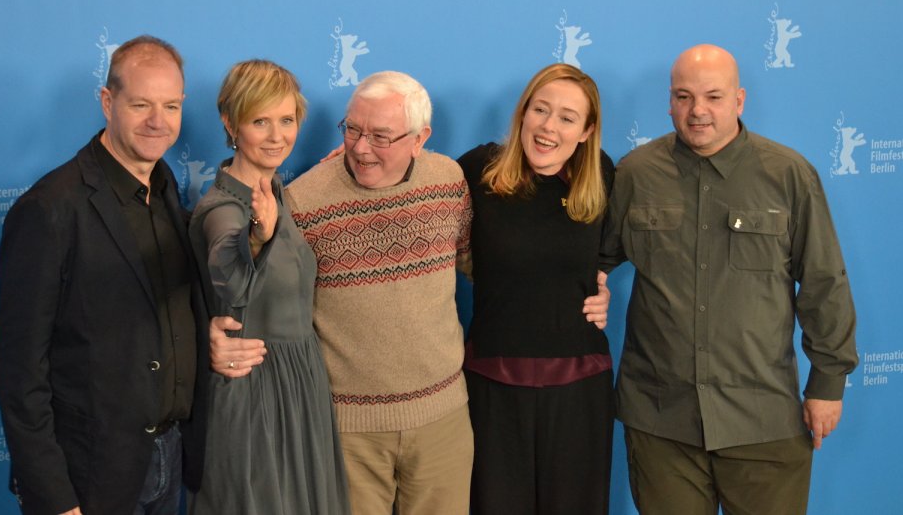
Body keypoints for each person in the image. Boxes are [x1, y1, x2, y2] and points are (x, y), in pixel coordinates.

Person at [595, 44, 858, 514]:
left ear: (739, 100)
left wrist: (827, 384)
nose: (698, 111)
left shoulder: (789, 175)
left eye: (713, 97)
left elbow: (824, 283)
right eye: (683, 96)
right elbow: (591, 258)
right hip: (661, 423)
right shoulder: (635, 174)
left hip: (763, 421)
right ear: (670, 101)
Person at [0, 35, 239, 515]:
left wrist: (205, 334)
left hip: (169, 458)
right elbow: (20, 372)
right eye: (141, 104)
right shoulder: (49, 209)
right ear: (108, 102)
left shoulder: (167, 189)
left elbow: (158, 310)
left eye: (170, 106)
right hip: (88, 476)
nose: (158, 121)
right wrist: (55, 498)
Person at [214, 70, 474, 514]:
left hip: (442, 422)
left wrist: (590, 284)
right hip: (345, 431)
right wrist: (212, 334)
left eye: (380, 136)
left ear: (420, 137)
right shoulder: (303, 201)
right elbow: (267, 301)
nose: (360, 147)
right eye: (352, 129)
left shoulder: (448, 181)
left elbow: (485, 268)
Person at [186, 60, 350, 514]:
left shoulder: (275, 192)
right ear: (230, 124)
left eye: (287, 120)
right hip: (253, 396)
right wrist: (257, 238)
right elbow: (232, 278)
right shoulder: (223, 209)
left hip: (300, 389)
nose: (278, 135)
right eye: (261, 121)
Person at [456, 63, 616, 514]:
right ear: (522, 114)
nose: (549, 126)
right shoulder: (478, 170)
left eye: (567, 118)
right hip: (493, 386)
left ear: (586, 131)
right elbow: (410, 186)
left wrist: (602, 286)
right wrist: (353, 154)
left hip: (579, 388)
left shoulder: (601, 175)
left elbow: (608, 252)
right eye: (540, 110)